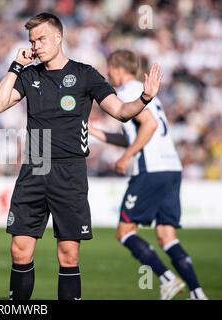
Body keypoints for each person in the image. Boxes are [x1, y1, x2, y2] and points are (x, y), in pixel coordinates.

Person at [0, 12, 163, 300]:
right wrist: (15, 66)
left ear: (59, 37)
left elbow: (120, 112)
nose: (36, 46)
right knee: (20, 250)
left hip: (69, 170)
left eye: (42, 38)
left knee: (68, 255)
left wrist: (145, 98)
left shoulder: (85, 74)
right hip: (35, 165)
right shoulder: (29, 74)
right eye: (32, 40)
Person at [88, 49, 208, 300]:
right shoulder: (143, 93)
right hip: (171, 168)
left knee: (125, 231)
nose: (108, 74)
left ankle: (167, 279)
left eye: (110, 68)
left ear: (118, 68)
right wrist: (98, 133)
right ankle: (198, 293)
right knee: (166, 236)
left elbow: (149, 125)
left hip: (150, 169)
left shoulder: (127, 91)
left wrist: (127, 156)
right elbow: (139, 132)